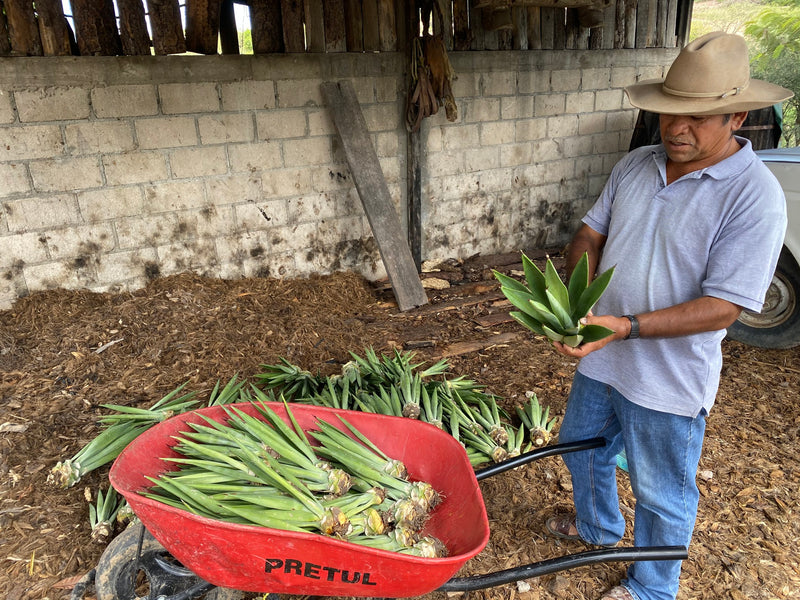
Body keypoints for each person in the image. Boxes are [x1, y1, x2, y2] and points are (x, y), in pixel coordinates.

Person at [544, 32, 793, 600]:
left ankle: (653, 588)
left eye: (696, 119)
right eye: (667, 114)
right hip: (602, 356)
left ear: (739, 116)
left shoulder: (754, 197)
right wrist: (579, 305)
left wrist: (626, 326)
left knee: (661, 492)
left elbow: (724, 306)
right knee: (580, 448)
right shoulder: (637, 165)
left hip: (669, 377)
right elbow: (589, 234)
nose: (676, 129)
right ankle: (599, 530)